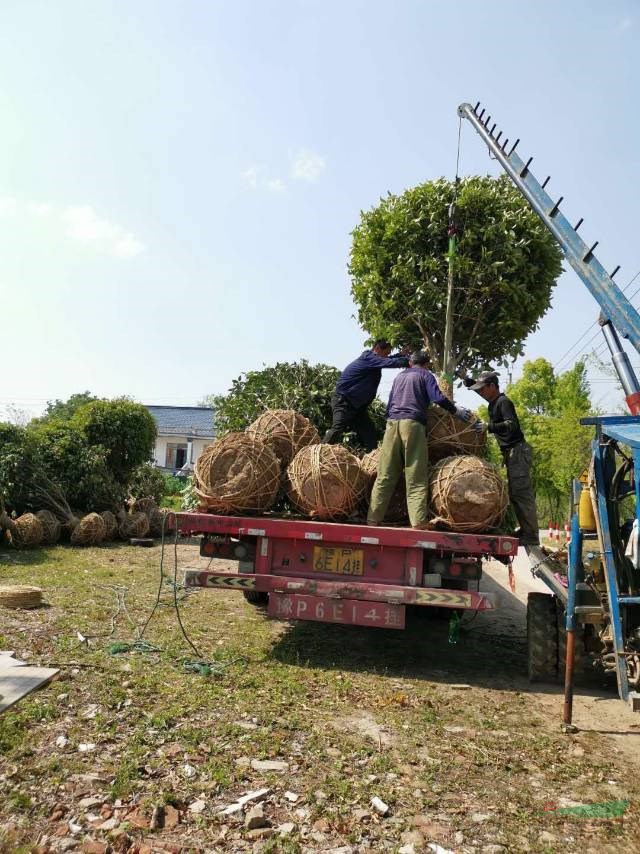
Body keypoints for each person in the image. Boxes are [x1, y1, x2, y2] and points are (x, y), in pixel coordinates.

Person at [367, 351, 478, 529]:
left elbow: (389, 405)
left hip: (392, 423)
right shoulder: (425, 375)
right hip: (412, 425)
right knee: (416, 475)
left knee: (385, 475)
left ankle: (373, 519)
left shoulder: (399, 377)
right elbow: (438, 398)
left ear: (410, 363)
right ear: (426, 364)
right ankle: (418, 522)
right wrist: (455, 410)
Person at [462, 370, 539, 546]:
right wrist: (467, 381)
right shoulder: (493, 401)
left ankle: (531, 536)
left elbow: (511, 425)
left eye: (483, 389)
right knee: (515, 494)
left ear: (493, 386)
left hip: (517, 451)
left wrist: (489, 427)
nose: (480, 392)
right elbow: (478, 388)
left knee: (522, 494)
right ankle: (525, 530)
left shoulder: (503, 402)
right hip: (511, 453)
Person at [323, 340, 409, 452]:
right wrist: (411, 361)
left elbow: (388, 360)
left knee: (369, 433)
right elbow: (388, 362)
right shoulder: (369, 358)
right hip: (344, 401)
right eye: (386, 353)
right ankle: (318, 453)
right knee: (337, 428)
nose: (387, 356)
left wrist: (400, 355)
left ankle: (370, 462)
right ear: (378, 349)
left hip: (357, 407)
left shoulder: (373, 359)